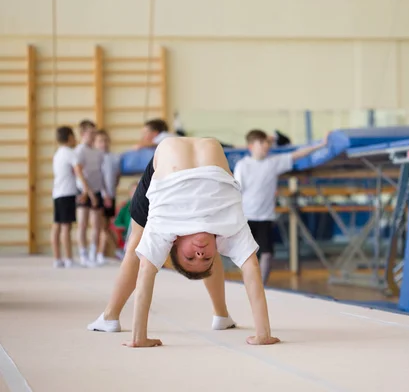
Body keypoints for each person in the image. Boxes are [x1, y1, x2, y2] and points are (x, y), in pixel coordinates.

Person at [87, 137, 280, 348]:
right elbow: (251, 267)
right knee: (143, 244)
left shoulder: (164, 227)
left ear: (174, 242)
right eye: (207, 256)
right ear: (218, 246)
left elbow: (146, 270)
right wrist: (263, 333)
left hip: (168, 162)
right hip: (207, 151)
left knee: (137, 242)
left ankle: (109, 317)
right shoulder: (230, 229)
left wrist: (138, 337)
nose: (200, 253)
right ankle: (221, 315)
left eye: (190, 257)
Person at [233, 129, 328, 284]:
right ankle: (249, 283)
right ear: (251, 146)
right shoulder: (242, 166)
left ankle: (261, 285)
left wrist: (322, 144)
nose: (265, 146)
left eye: (266, 143)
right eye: (261, 143)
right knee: (247, 255)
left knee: (267, 253)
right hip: (246, 217)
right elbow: (236, 190)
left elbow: (298, 154)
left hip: (265, 217)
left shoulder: (273, 163)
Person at [73, 120, 110, 267]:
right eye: (91, 132)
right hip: (83, 191)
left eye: (95, 132)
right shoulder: (79, 150)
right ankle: (83, 255)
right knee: (82, 224)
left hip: (96, 189)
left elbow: (101, 174)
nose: (94, 135)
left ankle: (93, 254)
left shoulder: (97, 152)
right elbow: (78, 171)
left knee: (96, 225)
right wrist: (88, 192)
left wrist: (104, 192)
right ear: (83, 134)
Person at [51, 126, 78, 268]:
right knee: (66, 227)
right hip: (67, 192)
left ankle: (57, 259)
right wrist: (86, 191)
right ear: (69, 137)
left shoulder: (58, 153)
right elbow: (78, 172)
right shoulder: (70, 153)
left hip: (57, 192)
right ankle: (69, 259)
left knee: (57, 226)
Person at [95, 130, 121, 265]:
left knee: (107, 226)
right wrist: (105, 195)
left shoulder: (114, 157)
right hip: (102, 195)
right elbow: (99, 179)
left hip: (111, 195)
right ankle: (99, 253)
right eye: (100, 141)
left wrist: (111, 194)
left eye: (105, 141)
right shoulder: (96, 158)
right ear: (95, 143)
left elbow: (116, 177)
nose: (103, 144)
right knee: (102, 227)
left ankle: (114, 250)